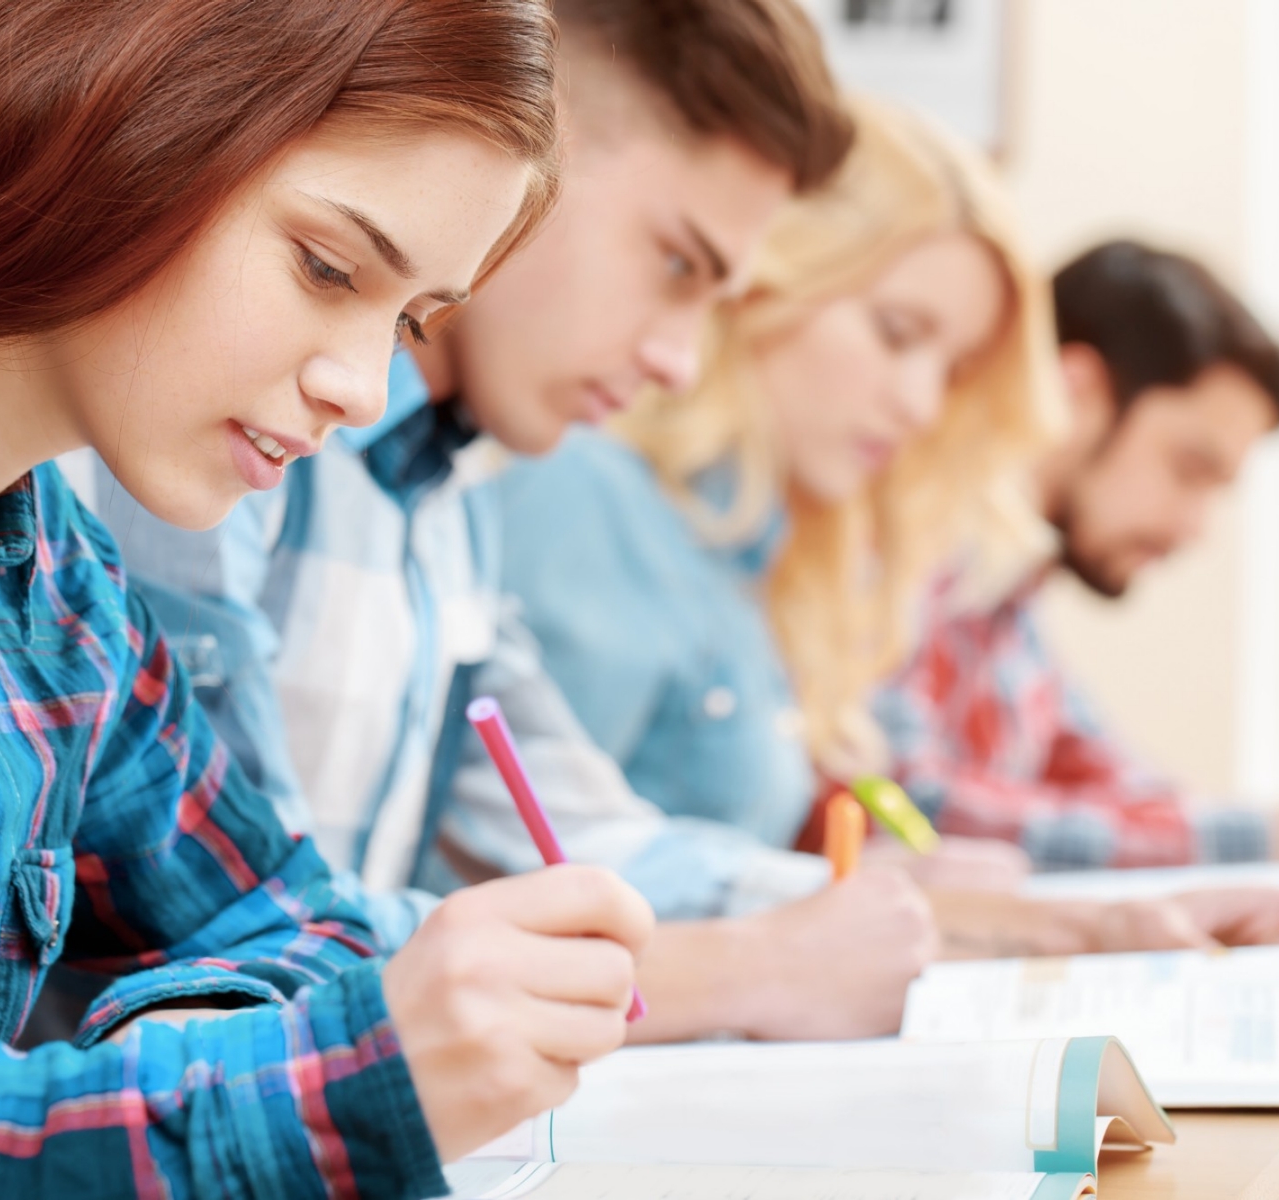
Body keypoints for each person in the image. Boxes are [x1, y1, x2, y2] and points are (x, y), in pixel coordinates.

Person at [0, 2, 658, 1195]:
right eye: (327, 266)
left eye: (406, 321)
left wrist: (194, 1052)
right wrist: (269, 1107)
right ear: (110, 114)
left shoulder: (67, 600)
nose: (359, 386)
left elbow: (302, 929)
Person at [101, 0, 932, 1044]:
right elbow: (239, 924)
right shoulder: (211, 428)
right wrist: (740, 973)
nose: (679, 360)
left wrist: (883, 915)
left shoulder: (443, 493)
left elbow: (585, 832)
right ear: (528, 142)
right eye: (677, 265)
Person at [482, 103, 1279, 1017]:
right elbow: (528, 891)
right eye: (899, 334)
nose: (917, 404)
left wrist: (1077, 926)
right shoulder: (590, 504)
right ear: (764, 286)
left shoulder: (769, 567)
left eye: (947, 367)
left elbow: (705, 881)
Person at [875, 240, 1279, 869]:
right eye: (1189, 468)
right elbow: (908, 807)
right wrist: (1255, 840)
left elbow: (1105, 776)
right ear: (1077, 392)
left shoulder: (1009, 596)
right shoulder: (896, 539)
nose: (1196, 527)